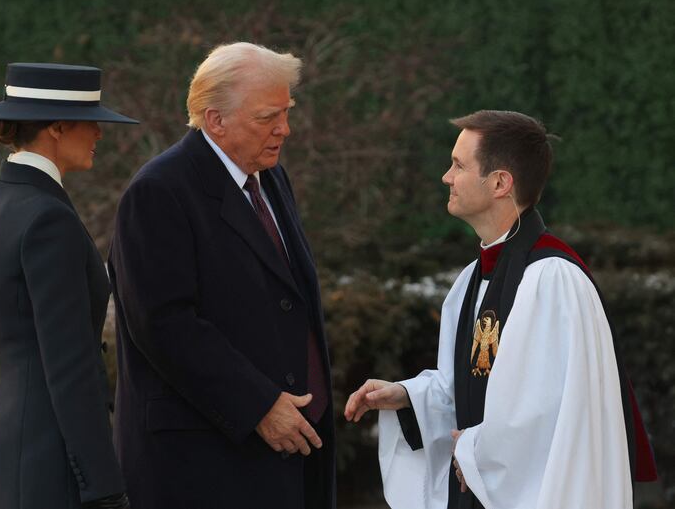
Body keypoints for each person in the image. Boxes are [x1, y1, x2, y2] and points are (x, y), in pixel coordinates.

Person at [344, 110, 656, 509]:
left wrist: (475, 451)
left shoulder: (552, 280)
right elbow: (469, 386)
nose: (446, 177)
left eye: (458, 165)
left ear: (499, 183)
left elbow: (548, 417)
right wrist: (407, 396)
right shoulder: (472, 279)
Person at [108, 42, 335, 509]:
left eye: (287, 112)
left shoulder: (270, 177)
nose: (285, 129)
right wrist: (260, 406)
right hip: (203, 464)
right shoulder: (159, 192)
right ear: (215, 120)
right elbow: (163, 324)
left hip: (283, 455)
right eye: (267, 117)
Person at [0, 62, 138, 509]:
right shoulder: (48, 218)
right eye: (92, 123)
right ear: (58, 127)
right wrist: (104, 486)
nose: (100, 135)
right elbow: (71, 365)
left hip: (8, 449)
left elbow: (0, 350)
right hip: (50, 461)